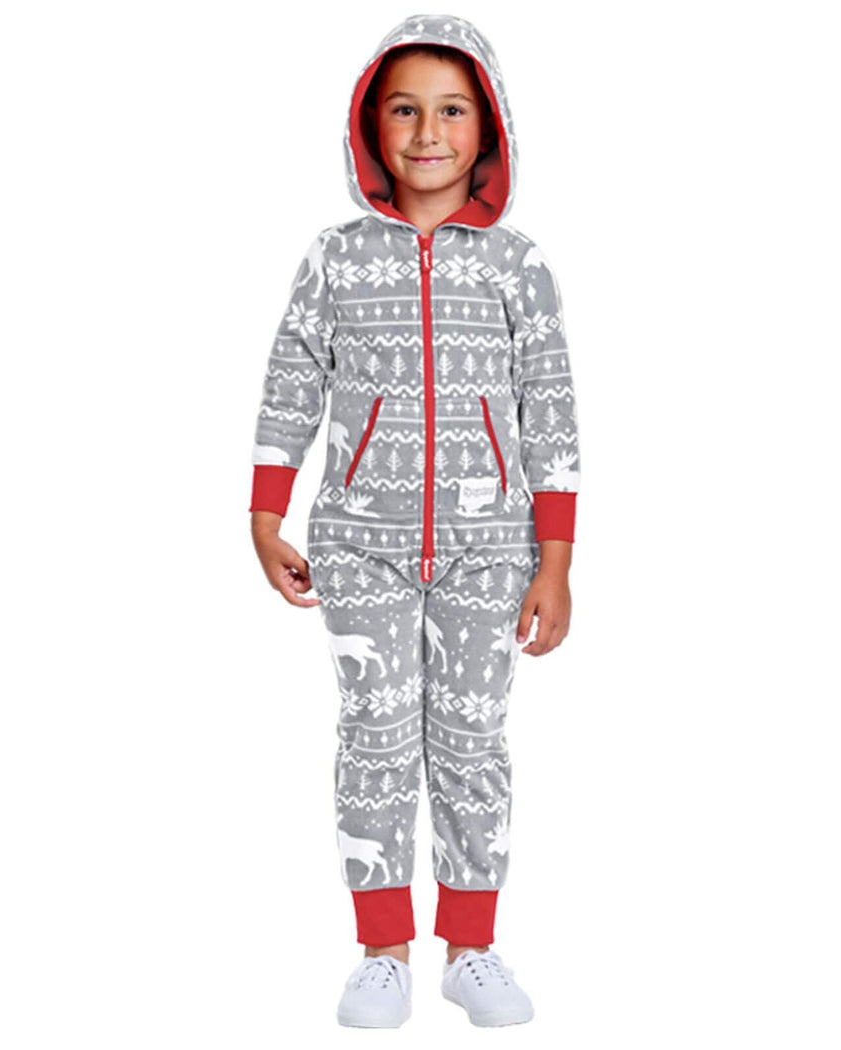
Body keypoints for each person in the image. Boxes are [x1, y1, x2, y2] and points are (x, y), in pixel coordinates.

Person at [249, 13, 580, 1028]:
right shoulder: (336, 258)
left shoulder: (517, 264)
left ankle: (470, 947)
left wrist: (556, 560)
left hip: (492, 548)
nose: (428, 131)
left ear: (489, 129)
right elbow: (292, 380)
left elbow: (550, 408)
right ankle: (382, 951)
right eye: (404, 109)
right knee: (376, 739)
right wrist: (267, 512)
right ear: (371, 126)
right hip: (360, 543)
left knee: (473, 740)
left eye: (452, 110)